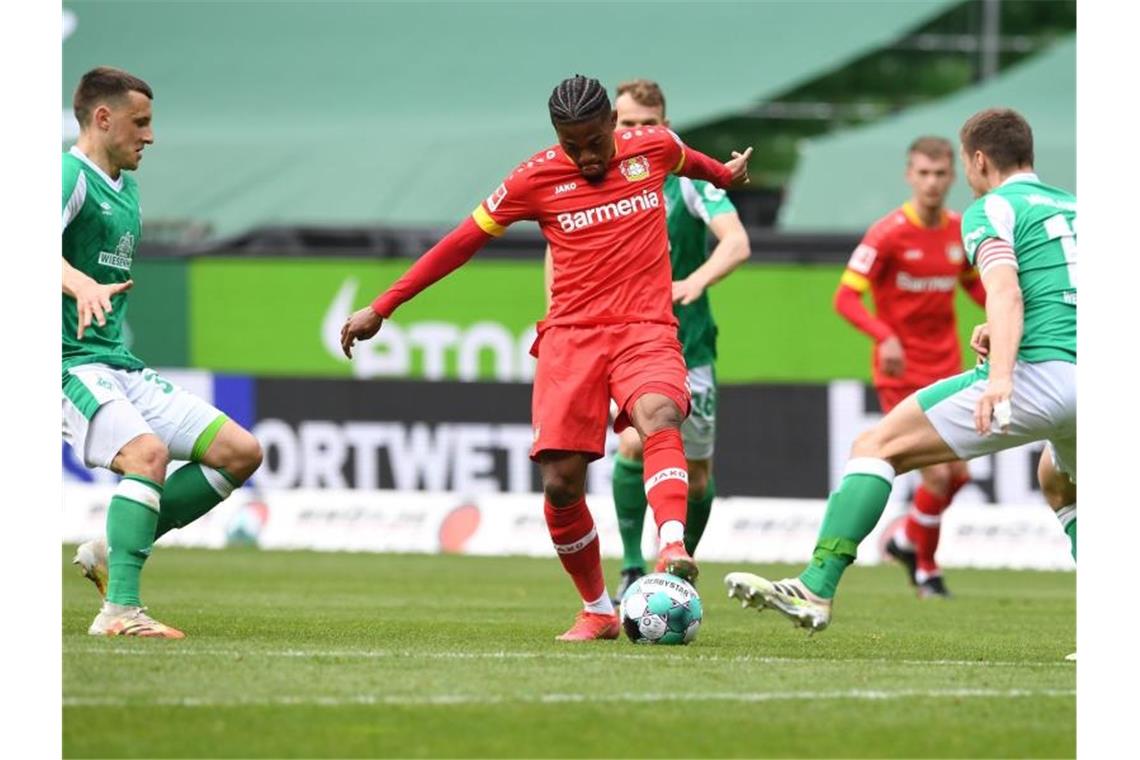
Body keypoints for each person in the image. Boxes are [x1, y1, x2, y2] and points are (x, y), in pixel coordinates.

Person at [341, 75, 751, 641]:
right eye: (570, 143)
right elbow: (460, 242)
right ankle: (600, 610)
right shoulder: (533, 178)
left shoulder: (652, 149)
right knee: (560, 483)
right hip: (571, 338)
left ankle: (673, 545)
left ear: (613, 122)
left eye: (593, 141)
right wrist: (383, 306)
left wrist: (728, 173)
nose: (583, 156)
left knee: (659, 414)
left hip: (644, 328)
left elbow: (701, 166)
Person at [724, 108, 1075, 633]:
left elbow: (1005, 290)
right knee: (1060, 483)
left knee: (875, 448)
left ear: (977, 161)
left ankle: (817, 586)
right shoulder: (1075, 208)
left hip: (1039, 376)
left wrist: (1001, 376)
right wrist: (994, 329)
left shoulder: (988, 210)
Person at [63, 67, 263, 638]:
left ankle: (112, 546)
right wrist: (78, 284)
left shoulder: (125, 186)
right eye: (140, 122)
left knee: (240, 452)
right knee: (147, 455)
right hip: (65, 363)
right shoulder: (68, 175)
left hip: (115, 363)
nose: (149, 136)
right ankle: (119, 612)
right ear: (103, 118)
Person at [540, 79, 750, 602]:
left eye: (648, 125)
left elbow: (737, 241)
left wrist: (694, 281)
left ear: (664, 127)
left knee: (697, 474)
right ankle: (634, 564)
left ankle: (675, 566)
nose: (636, 133)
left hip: (686, 340)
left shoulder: (683, 180)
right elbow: (557, 247)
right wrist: (557, 311)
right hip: (609, 337)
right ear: (614, 121)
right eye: (629, 123)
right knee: (635, 440)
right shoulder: (580, 180)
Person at [833, 136, 986, 598]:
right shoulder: (888, 233)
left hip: (948, 366)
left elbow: (976, 288)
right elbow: (845, 297)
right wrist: (886, 336)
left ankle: (905, 539)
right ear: (909, 175)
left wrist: (1004, 317)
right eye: (923, 173)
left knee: (959, 475)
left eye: (940, 174)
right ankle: (926, 568)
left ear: (952, 177)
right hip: (900, 372)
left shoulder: (960, 231)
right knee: (937, 474)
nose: (932, 182)